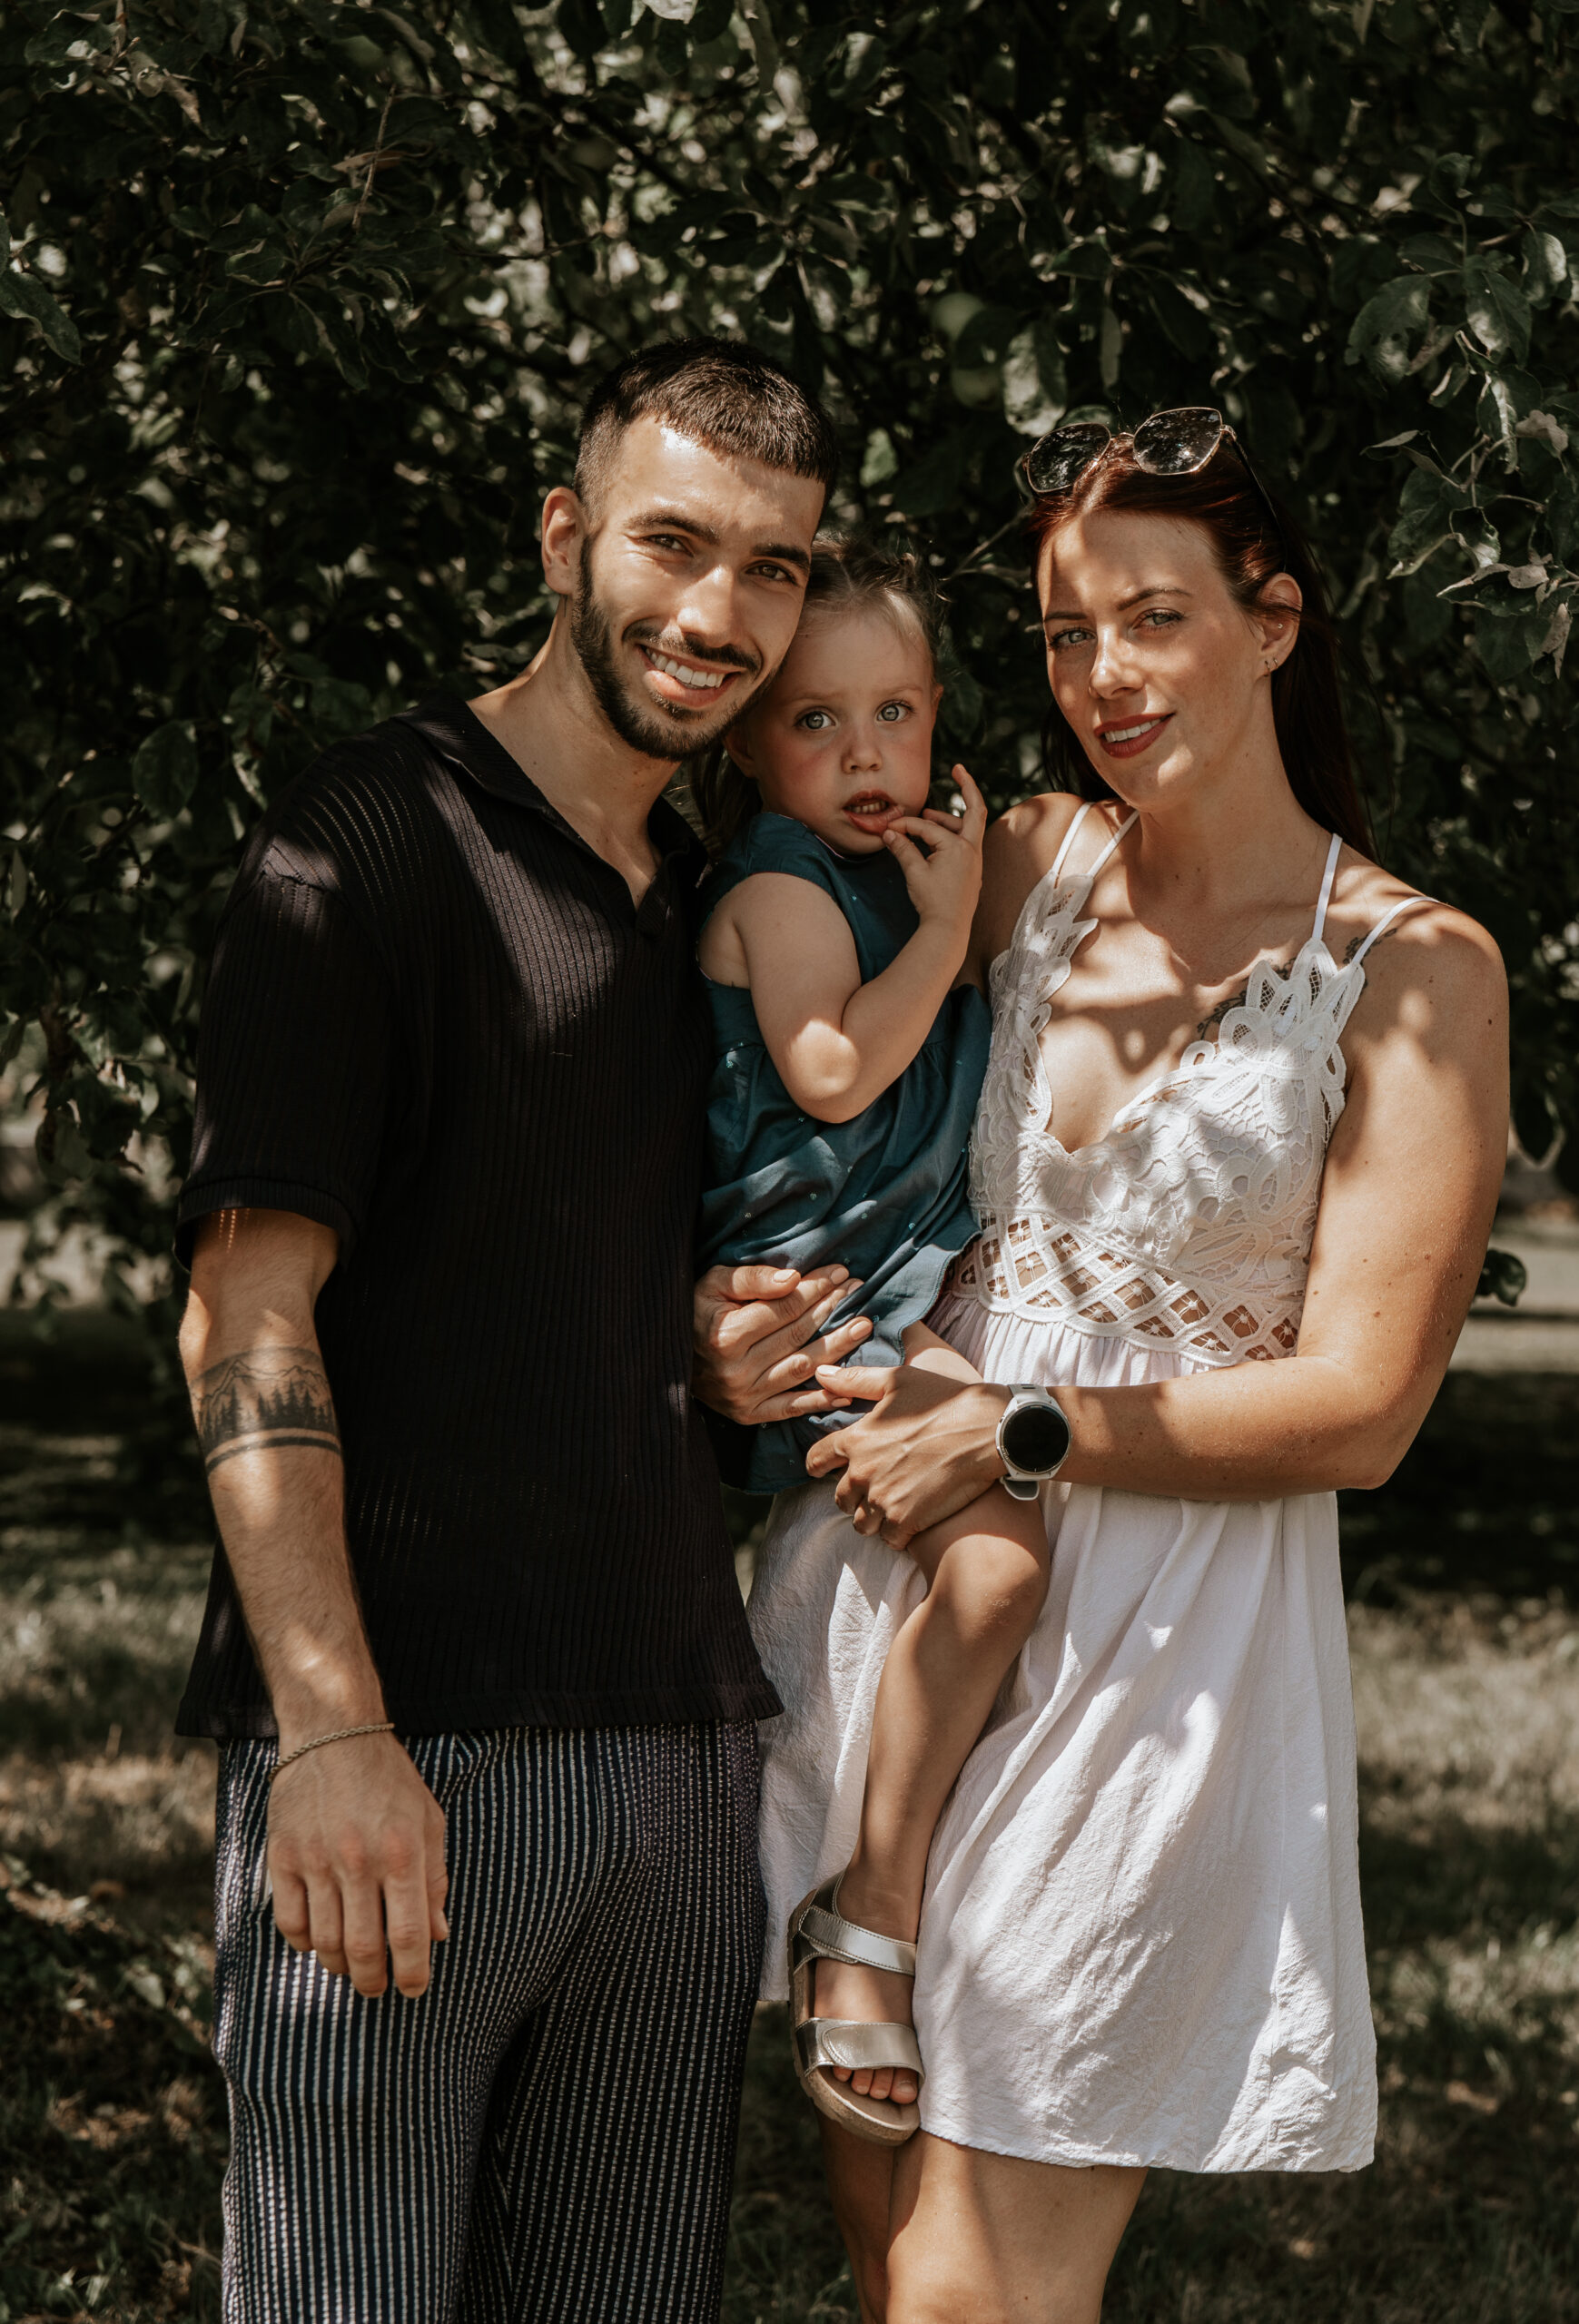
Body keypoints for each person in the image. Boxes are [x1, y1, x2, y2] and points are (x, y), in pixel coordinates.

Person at [695, 408, 1508, 2324]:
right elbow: (787, 1083)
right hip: (898, 1578)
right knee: (887, 2253)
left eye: (1153, 619)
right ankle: (872, 1904)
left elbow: (1366, 1407)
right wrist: (721, 1317)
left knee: (970, 2294)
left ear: (1274, 620)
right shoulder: (1024, 862)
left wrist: (1022, 1426)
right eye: (1066, 634)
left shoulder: (1415, 969)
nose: (1102, 678)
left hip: (1159, 1640)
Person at [174, 337, 840, 2324]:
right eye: (673, 543)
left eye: (774, 567)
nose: (719, 613)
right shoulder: (370, 840)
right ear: (564, 538)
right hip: (413, 1746)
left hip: (684, 1756)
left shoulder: (715, 904)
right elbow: (243, 1310)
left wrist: (697, 1347)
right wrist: (330, 1731)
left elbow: (559, 1247)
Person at [693, 538, 1050, 2145]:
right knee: (995, 1574)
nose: (864, 755)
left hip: (897, 1295)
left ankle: (879, 1873)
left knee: (994, 1579)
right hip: (819, 1310)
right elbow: (832, 1071)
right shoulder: (782, 886)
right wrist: (955, 926)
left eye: (895, 713)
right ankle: (864, 1911)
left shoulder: (890, 879)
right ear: (750, 747)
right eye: (816, 721)